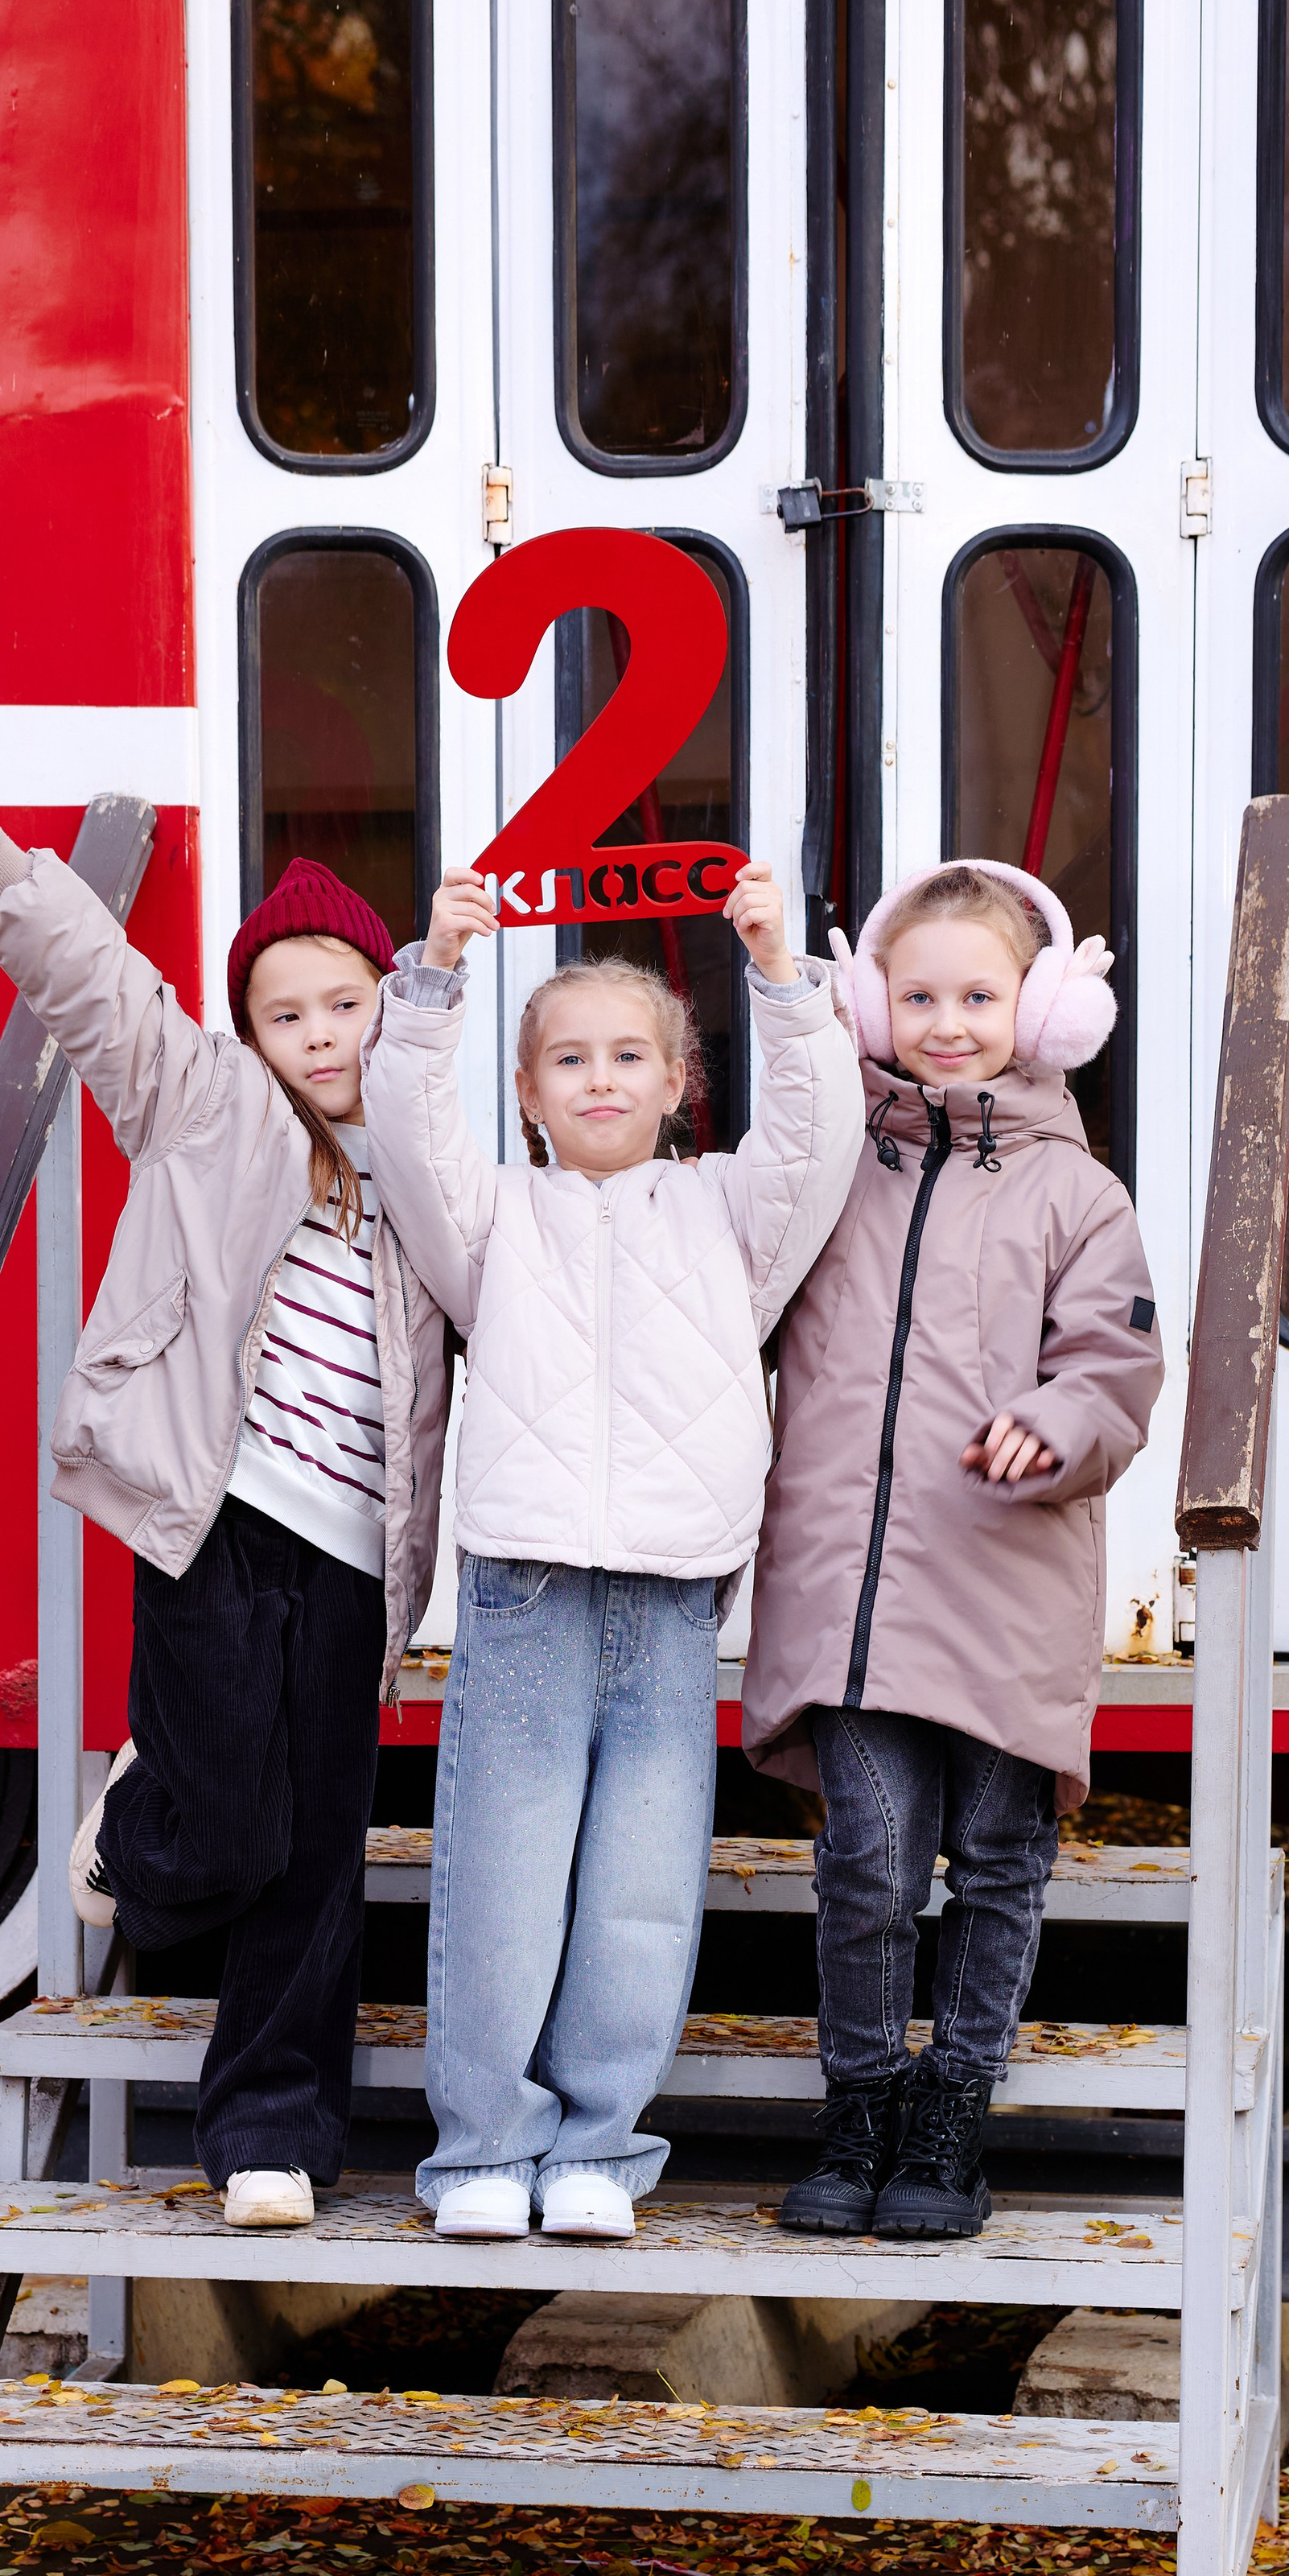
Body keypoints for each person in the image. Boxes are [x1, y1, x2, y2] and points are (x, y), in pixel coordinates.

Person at [0, 707, 450, 2232]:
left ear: (394, 1008)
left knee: (321, 1849)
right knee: (236, 1831)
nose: (324, 1037)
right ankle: (144, 1826)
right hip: (213, 1517)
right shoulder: (208, 1111)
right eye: (289, 1014)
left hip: (356, 1549)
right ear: (250, 1034)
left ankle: (273, 2135)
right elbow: (95, 986)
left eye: (348, 1005)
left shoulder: (441, 1158)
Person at [360, 860, 866, 2242]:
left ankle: (595, 2150)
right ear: (526, 1095)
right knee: (504, 1867)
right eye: (568, 1059)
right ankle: (480, 2152)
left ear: (677, 1080)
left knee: (642, 1881)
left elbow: (821, 1132)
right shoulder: (492, 1221)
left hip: (672, 1579)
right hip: (525, 1574)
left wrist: (778, 973)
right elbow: (406, 1132)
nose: (599, 1079)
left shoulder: (727, 1213)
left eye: (628, 1056)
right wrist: (434, 984)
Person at [742, 859, 1164, 2242]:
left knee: (995, 1857)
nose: (947, 1020)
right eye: (915, 993)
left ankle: (952, 2120)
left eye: (981, 994)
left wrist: (1057, 1421)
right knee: (865, 1855)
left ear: (1042, 1011)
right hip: (848, 1593)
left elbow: (1115, 1368)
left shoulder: (1078, 1196)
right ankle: (858, 2110)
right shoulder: (823, 1166)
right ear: (866, 1002)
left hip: (1008, 1585)